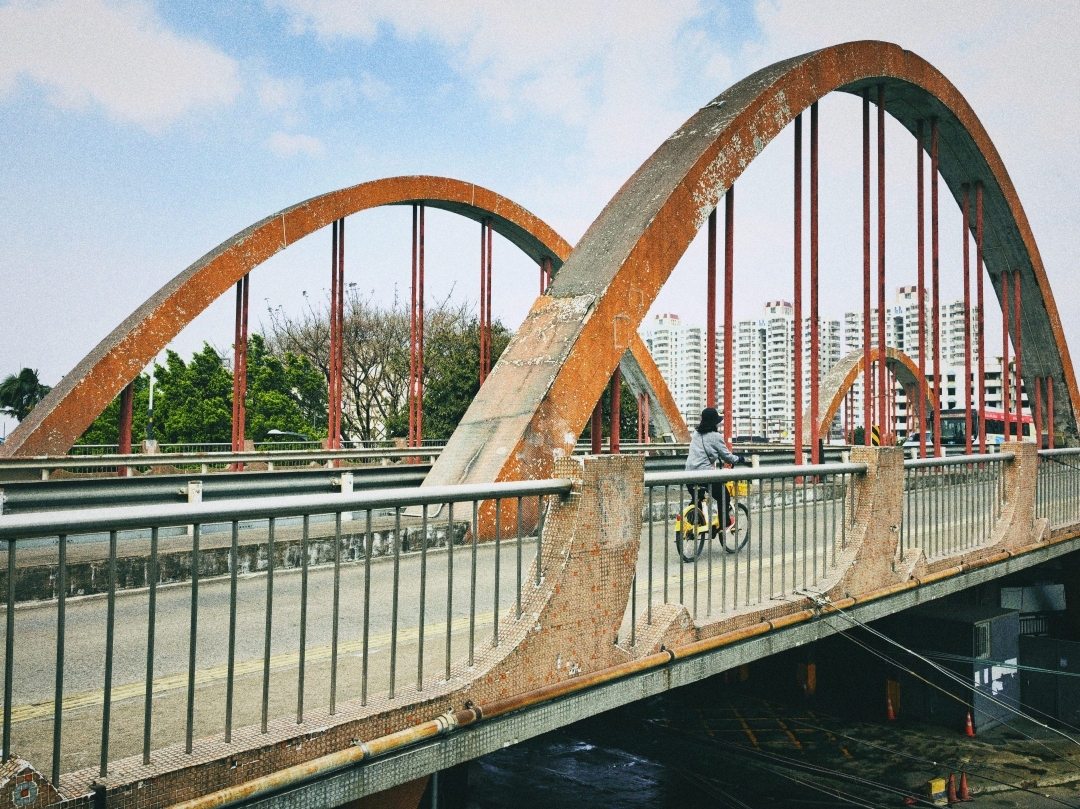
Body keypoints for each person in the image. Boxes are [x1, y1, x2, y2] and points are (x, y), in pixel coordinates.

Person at [684, 407, 744, 531]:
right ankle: (725, 523)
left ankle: (694, 520)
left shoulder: (696, 434)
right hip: (705, 475)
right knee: (723, 495)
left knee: (697, 498)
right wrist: (738, 459)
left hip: (688, 475)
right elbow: (727, 456)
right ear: (714, 422)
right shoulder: (716, 436)